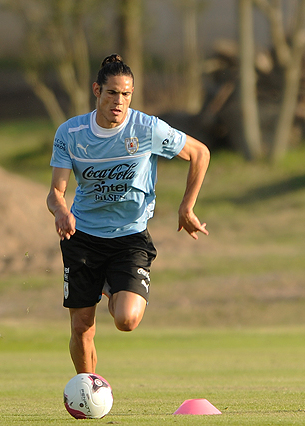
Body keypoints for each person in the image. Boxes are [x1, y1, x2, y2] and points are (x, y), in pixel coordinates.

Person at [47, 54, 210, 374]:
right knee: (82, 327)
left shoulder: (147, 129)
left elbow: (199, 153)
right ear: (96, 90)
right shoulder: (71, 133)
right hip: (83, 238)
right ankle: (88, 389)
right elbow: (55, 192)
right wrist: (61, 211)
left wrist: (186, 206)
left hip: (130, 237)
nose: (119, 101)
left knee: (126, 320)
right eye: (111, 93)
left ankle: (109, 284)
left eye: (126, 94)